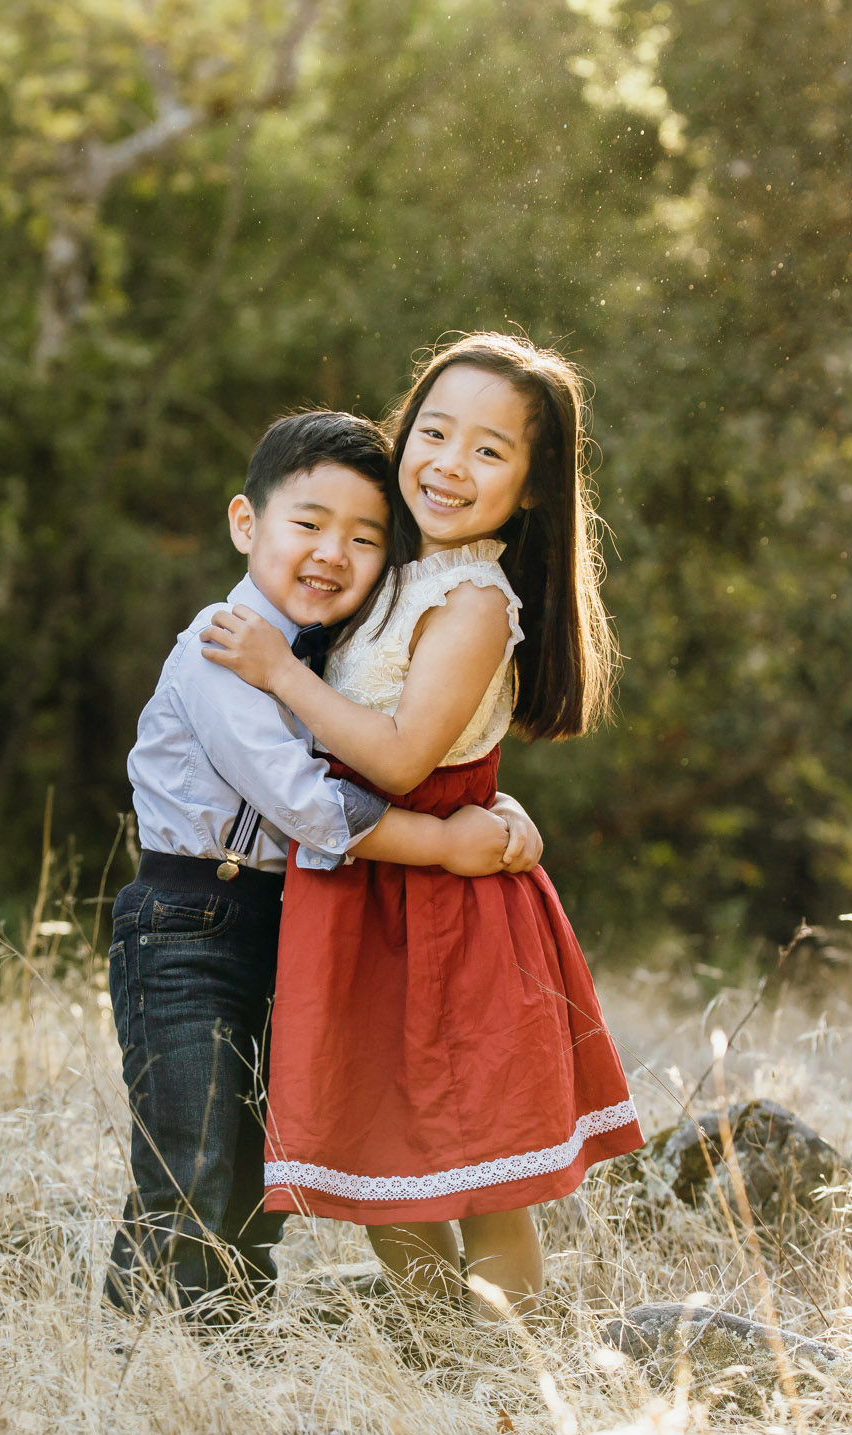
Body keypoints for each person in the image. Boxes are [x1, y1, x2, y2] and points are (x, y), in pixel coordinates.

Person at [201, 335, 643, 1316]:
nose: (450, 463)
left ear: (532, 487)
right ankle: (444, 1359)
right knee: (379, 1165)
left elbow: (403, 759)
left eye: (490, 450)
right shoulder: (381, 568)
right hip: (357, 897)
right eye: (434, 431)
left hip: (443, 915)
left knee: (481, 1171)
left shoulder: (475, 597)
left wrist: (276, 674)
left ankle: (506, 1375)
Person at [105, 409, 548, 1324]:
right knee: (190, 1156)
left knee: (261, 1168)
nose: (331, 555)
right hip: (189, 925)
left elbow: (403, 741)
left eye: (363, 538)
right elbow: (303, 799)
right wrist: (447, 843)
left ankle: (231, 1349)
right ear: (245, 524)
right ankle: (142, 1358)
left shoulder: (333, 656)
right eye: (307, 525)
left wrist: (490, 807)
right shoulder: (224, 645)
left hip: (294, 927)